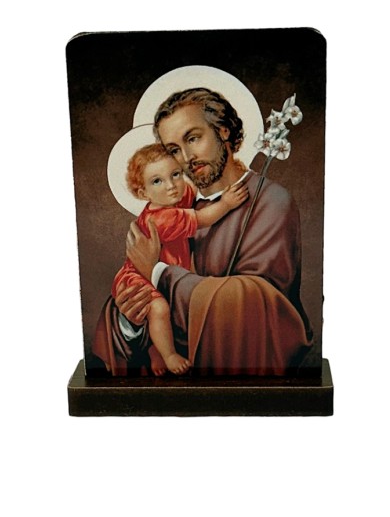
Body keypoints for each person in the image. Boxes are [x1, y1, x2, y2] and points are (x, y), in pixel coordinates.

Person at [93, 88, 313, 376]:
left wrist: (158, 273)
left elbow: (258, 308)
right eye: (174, 149)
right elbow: (127, 296)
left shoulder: (269, 202)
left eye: (193, 138)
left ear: (223, 131)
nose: (186, 157)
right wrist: (130, 321)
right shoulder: (174, 209)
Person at [111, 143, 249, 375]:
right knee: (159, 308)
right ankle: (169, 355)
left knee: (163, 310)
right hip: (135, 278)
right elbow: (202, 219)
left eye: (175, 174)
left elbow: (190, 190)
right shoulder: (162, 217)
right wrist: (226, 203)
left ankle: (156, 350)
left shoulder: (171, 199)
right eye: (157, 181)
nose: (171, 185)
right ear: (143, 194)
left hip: (157, 273)